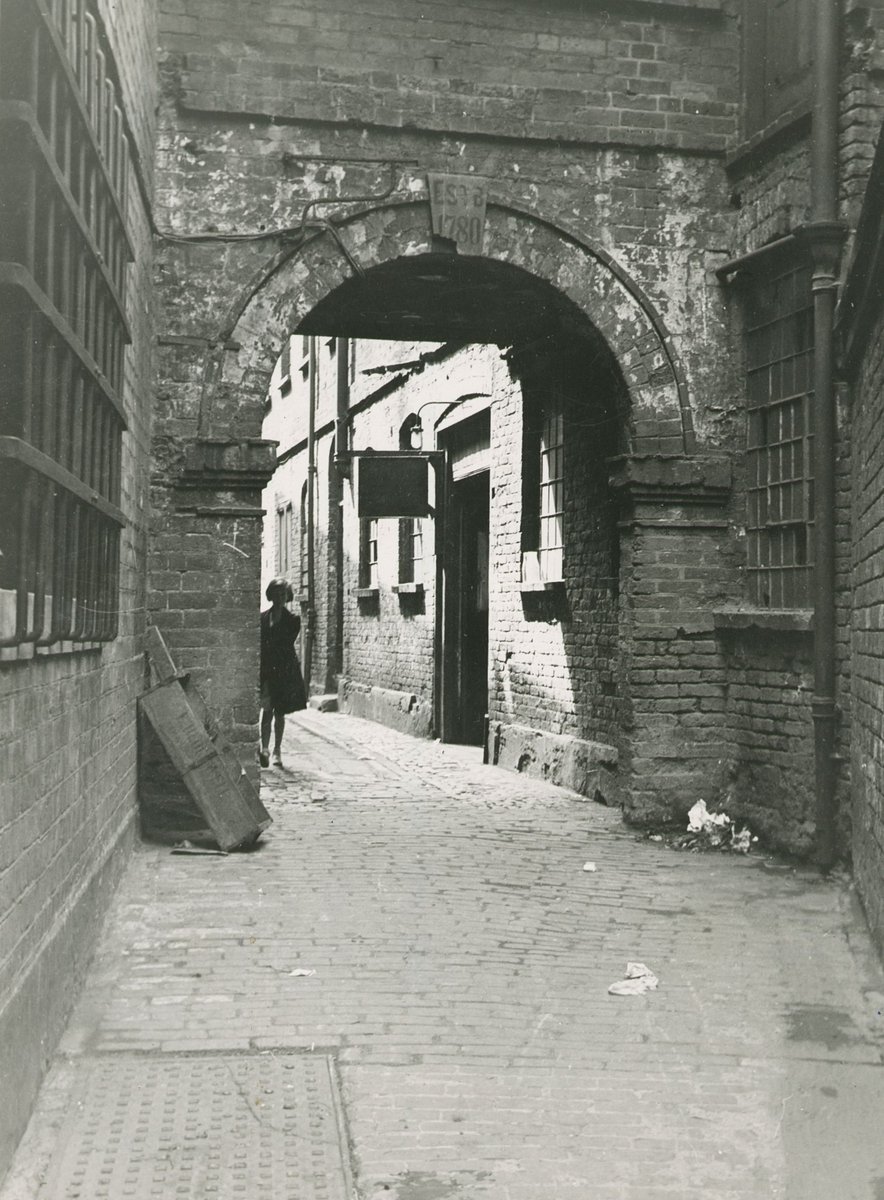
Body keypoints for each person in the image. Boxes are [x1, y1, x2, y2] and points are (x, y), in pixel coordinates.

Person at [259, 578, 307, 767]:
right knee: (266, 710)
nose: (279, 598)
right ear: (270, 595)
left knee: (279, 712)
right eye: (276, 594)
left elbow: (284, 645)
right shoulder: (262, 618)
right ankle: (265, 749)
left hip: (282, 672)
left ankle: (277, 749)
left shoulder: (292, 621)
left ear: (287, 597)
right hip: (266, 672)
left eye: (283, 594)